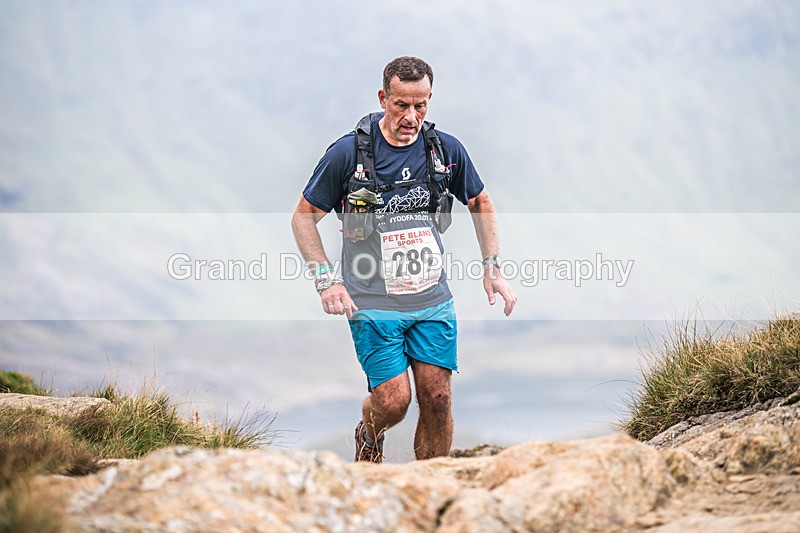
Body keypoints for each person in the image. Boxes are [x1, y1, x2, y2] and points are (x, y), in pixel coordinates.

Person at [291, 56, 516, 463]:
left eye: (421, 105)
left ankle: (430, 491)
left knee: (438, 397)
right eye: (401, 105)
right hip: (371, 299)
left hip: (431, 298)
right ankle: (369, 431)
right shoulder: (347, 154)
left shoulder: (444, 149)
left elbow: (480, 201)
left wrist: (492, 267)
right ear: (383, 98)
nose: (411, 116)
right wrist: (327, 280)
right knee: (394, 402)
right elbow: (303, 217)